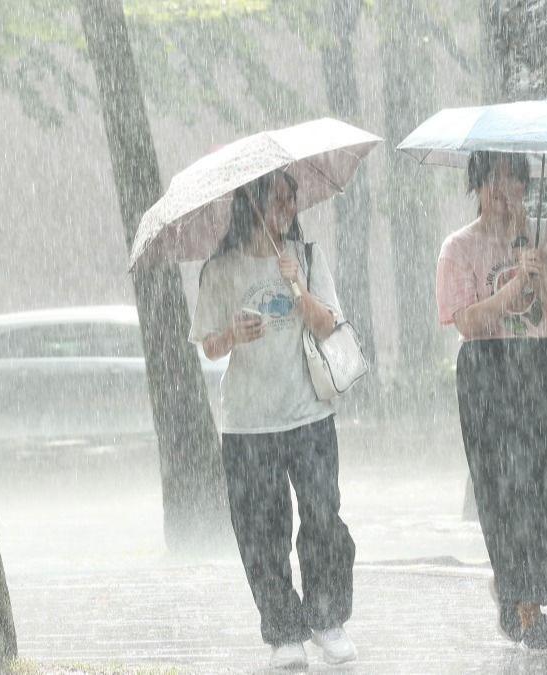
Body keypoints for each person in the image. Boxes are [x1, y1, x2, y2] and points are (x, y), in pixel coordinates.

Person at [190, 170, 358, 670]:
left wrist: (298, 285)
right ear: (251, 206)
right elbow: (210, 346)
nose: (286, 209)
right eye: (276, 200)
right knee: (262, 531)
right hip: (248, 424)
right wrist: (233, 335)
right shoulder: (220, 269)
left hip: (309, 414)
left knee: (323, 516)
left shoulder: (307, 256)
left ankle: (327, 619)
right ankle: (284, 631)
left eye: (291, 199)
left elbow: (329, 325)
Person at [435, 151, 547, 655]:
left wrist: (537, 269)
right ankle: (530, 613)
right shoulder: (458, 248)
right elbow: (465, 322)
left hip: (541, 367)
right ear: (476, 186)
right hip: (488, 371)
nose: (503, 192)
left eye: (513, 181)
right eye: (492, 181)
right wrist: (511, 290)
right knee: (509, 491)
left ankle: (512, 580)